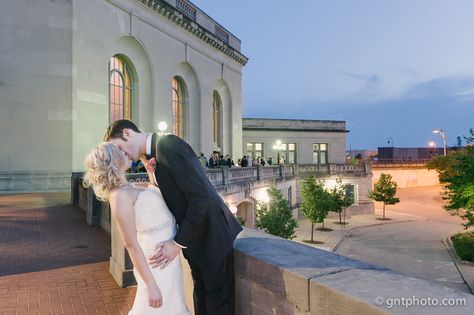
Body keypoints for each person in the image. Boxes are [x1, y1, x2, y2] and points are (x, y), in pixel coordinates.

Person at [104, 119, 242, 315]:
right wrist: (154, 175)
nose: (121, 153)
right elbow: (174, 198)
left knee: (217, 305)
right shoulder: (155, 155)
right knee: (202, 301)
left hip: (212, 236)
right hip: (196, 241)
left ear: (127, 133)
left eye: (119, 147)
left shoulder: (167, 144)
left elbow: (200, 196)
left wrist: (177, 244)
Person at [83, 143, 189, 314]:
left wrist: (150, 172)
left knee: (173, 305)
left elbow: (155, 199)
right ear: (116, 161)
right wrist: (151, 285)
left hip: (168, 259)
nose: (126, 152)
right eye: (121, 152)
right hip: (156, 264)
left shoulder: (127, 187)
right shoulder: (119, 197)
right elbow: (131, 244)